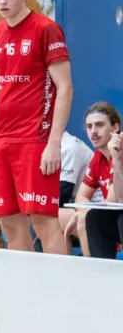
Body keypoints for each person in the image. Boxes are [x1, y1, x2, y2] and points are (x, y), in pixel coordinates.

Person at [0, 0, 73, 254]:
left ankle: (59, 290)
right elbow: (0, 88)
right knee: (9, 222)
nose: (3, 2)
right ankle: (25, 292)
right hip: (2, 141)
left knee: (43, 219)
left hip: (35, 140)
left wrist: (54, 143)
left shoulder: (46, 30)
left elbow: (65, 88)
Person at [63, 102, 120, 255]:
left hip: (118, 217)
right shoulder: (98, 156)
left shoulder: (119, 152)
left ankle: (95, 274)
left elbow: (113, 202)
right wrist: (84, 211)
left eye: (99, 125)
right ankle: (61, 275)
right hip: (107, 214)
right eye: (89, 126)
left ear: (115, 128)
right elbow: (81, 196)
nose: (93, 132)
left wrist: (85, 213)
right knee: (49, 218)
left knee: (85, 219)